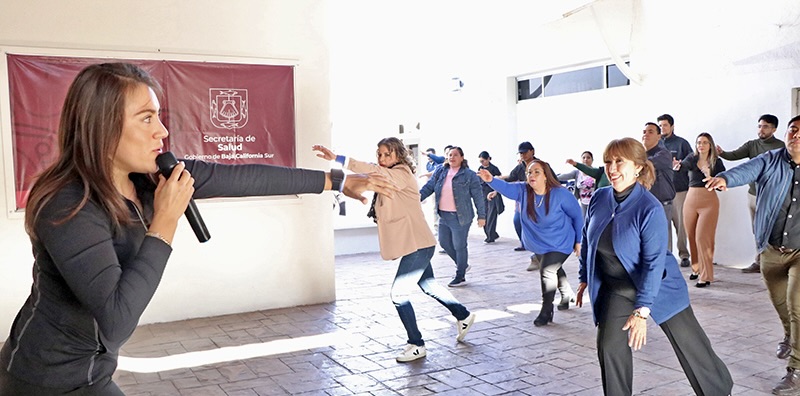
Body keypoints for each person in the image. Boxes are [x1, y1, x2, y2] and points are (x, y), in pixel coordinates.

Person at [0, 63, 395, 395]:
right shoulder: (70, 203)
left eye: (159, 116)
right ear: (102, 127)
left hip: (93, 369)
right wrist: (165, 224)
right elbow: (116, 321)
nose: (162, 132)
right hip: (43, 378)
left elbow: (246, 178)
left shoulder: (151, 178)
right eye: (146, 118)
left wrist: (338, 180)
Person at [577, 137, 733, 396]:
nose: (612, 168)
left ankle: (719, 391)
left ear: (638, 167)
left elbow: (653, 263)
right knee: (609, 347)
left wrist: (641, 312)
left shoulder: (648, 208)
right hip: (618, 288)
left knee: (691, 346)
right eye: (608, 162)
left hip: (659, 286)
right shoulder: (599, 198)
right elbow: (587, 238)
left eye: (619, 162)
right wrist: (584, 276)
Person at [312, 139, 475, 363]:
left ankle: (416, 344)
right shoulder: (388, 174)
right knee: (429, 285)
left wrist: (338, 159)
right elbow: (372, 172)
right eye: (379, 154)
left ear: (398, 155)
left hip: (418, 244)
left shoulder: (401, 173)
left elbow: (371, 169)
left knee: (398, 295)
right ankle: (463, 315)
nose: (381, 159)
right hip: (414, 243)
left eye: (387, 154)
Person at [706, 115, 800, 394]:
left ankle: (794, 370)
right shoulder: (771, 159)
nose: (796, 135)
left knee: (797, 306)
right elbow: (746, 170)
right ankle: (788, 335)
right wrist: (724, 178)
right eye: (793, 130)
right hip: (771, 249)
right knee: (780, 303)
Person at [479, 160, 581, 325]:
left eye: (536, 172)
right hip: (538, 243)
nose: (531, 175)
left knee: (547, 270)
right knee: (553, 267)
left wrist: (578, 241)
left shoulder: (561, 194)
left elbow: (577, 216)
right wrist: (491, 180)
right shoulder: (523, 191)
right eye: (529, 172)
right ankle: (566, 292)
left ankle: (546, 311)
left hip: (561, 241)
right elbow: (506, 188)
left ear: (546, 176)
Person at [716, 114, 785, 274]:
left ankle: (774, 262)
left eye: (766, 126)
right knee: (757, 229)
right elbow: (734, 155)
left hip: (772, 196)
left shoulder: (781, 146)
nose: (761, 129)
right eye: (759, 126)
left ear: (774, 129)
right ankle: (759, 261)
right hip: (753, 195)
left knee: (773, 229)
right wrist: (722, 153)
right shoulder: (752, 145)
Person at [420, 146, 486, 287]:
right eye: (450, 155)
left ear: (462, 158)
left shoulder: (469, 175)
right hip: (444, 215)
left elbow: (478, 196)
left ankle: (460, 275)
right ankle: (462, 264)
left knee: (459, 246)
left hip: (461, 217)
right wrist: (416, 198)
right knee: (444, 242)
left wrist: (482, 215)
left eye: (456, 155)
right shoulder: (440, 171)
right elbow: (429, 187)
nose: (452, 157)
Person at [676, 133, 725, 287]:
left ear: (710, 144)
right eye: (698, 142)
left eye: (704, 142)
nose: (701, 145)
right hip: (690, 199)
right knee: (691, 236)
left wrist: (708, 174)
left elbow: (723, 184)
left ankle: (706, 276)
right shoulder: (692, 158)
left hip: (709, 201)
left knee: (703, 238)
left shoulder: (717, 162)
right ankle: (696, 269)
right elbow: (682, 166)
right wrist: (677, 165)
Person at [659, 114, 693, 268]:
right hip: (660, 192)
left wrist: (682, 163)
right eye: (660, 125)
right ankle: (667, 255)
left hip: (680, 190)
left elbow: (692, 159)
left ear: (672, 126)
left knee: (680, 225)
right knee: (663, 225)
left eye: (665, 125)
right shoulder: (656, 145)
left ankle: (684, 255)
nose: (662, 128)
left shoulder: (681, 143)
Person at [641, 122, 676, 242]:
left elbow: (645, 164)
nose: (646, 134)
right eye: (644, 132)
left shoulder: (664, 154)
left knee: (662, 244)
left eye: (650, 132)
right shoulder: (639, 156)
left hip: (662, 205)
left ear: (658, 136)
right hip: (643, 205)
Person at [558, 151, 596, 217]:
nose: (586, 159)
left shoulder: (596, 172)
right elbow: (564, 176)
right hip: (583, 203)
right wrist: (550, 177)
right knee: (584, 223)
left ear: (592, 160)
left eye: (588, 158)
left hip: (595, 203)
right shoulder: (577, 173)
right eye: (583, 158)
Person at [478, 151, 503, 243]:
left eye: (483, 161)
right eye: (481, 161)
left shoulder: (494, 169)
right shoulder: (480, 168)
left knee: (492, 215)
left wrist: (496, 191)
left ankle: (491, 235)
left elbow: (500, 180)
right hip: (483, 193)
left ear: (488, 159)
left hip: (492, 193)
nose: (482, 163)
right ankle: (490, 234)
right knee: (484, 214)